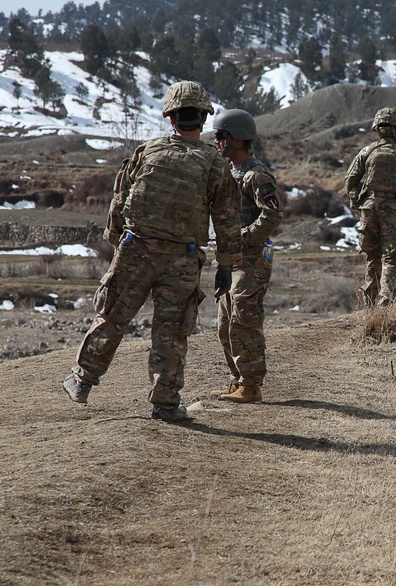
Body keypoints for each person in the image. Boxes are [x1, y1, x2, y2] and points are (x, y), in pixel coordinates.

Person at [62, 81, 242, 421]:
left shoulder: (147, 150)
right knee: (171, 332)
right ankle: (165, 403)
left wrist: (117, 240)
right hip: (183, 259)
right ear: (203, 120)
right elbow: (227, 218)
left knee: (113, 316)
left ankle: (82, 380)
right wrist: (226, 264)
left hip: (136, 249)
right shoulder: (214, 164)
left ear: (171, 118)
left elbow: (119, 199)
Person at [209, 108, 282, 403]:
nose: (216, 141)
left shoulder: (256, 175)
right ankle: (237, 380)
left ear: (236, 139)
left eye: (220, 136)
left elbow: (272, 215)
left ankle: (251, 385)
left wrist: (243, 238)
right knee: (225, 322)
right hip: (231, 259)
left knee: (244, 319)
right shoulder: (229, 172)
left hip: (252, 259)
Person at [345, 107, 396, 307]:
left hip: (369, 211)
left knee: (372, 256)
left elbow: (350, 181)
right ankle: (387, 301)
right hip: (393, 210)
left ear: (377, 128)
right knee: (392, 256)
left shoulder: (366, 152)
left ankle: (370, 306)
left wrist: (358, 201)